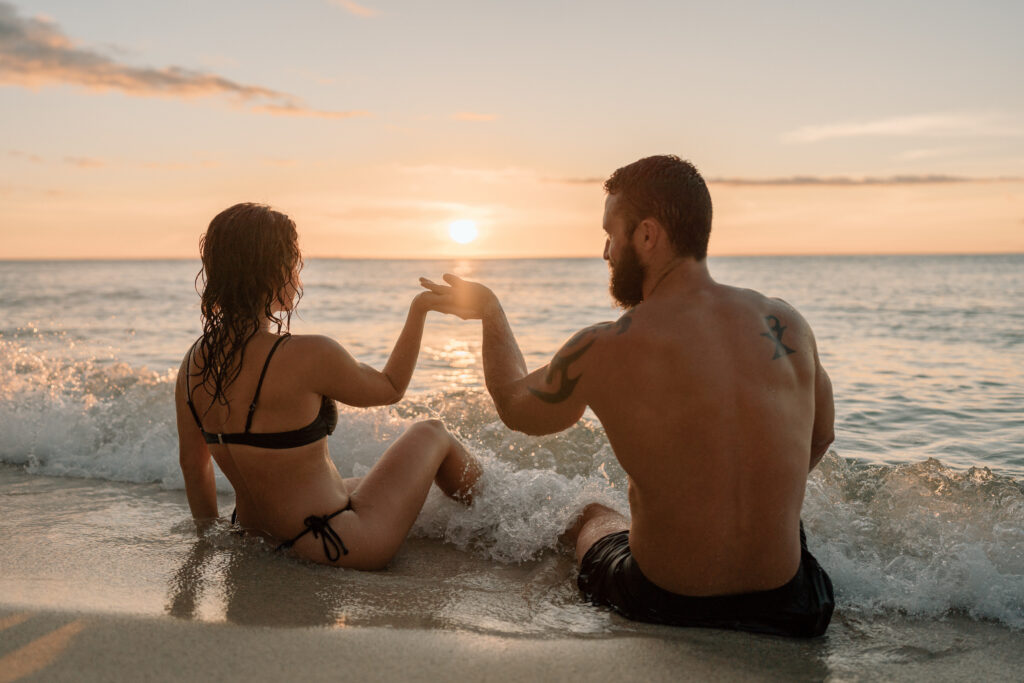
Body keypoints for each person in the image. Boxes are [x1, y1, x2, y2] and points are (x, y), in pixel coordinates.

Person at [420, 155, 835, 637]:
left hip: (666, 602)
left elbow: (517, 409)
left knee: (593, 514)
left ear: (646, 235)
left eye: (610, 234)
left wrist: (490, 310)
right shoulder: (787, 323)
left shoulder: (604, 346)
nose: (605, 252)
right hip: (792, 607)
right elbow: (821, 435)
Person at [175, 203, 481, 569]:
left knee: (364, 481)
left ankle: (497, 518)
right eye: (293, 263)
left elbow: (194, 466)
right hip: (337, 545)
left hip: (258, 539)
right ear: (274, 271)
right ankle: (505, 522)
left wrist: (210, 539)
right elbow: (390, 387)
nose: (297, 276)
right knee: (433, 433)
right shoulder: (310, 354)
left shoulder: (195, 362)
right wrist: (420, 311)